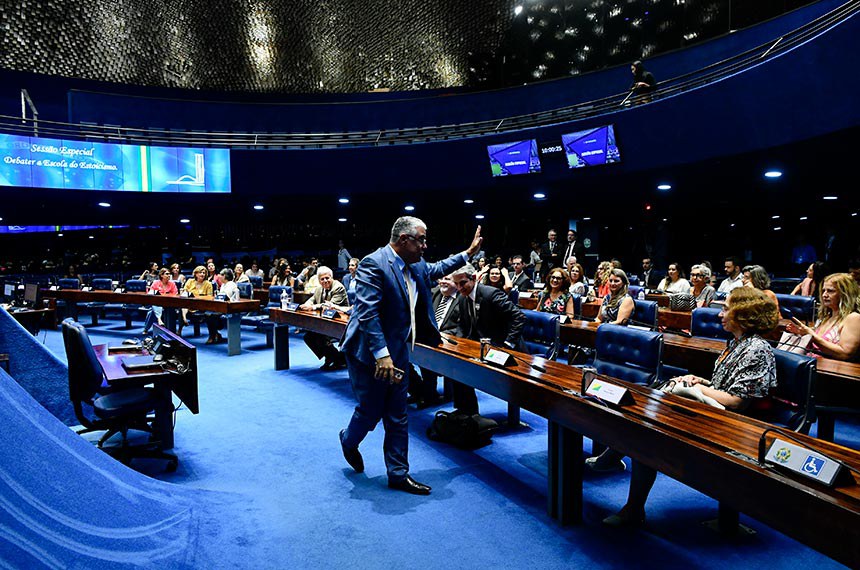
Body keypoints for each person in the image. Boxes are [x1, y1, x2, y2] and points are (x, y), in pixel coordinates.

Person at [603, 287, 778, 527]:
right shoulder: (738, 342)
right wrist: (700, 381)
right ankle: (619, 458)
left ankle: (628, 492)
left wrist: (695, 388)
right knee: (645, 422)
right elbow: (723, 386)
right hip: (712, 411)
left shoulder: (757, 349)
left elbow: (736, 401)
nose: (719, 315)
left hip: (734, 424)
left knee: (647, 434)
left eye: (726, 309)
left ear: (744, 314)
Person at [338, 217, 482, 496]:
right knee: (370, 412)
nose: (425, 246)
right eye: (421, 240)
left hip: (399, 350)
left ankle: (398, 474)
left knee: (397, 414)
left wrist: (468, 254)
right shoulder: (373, 263)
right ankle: (348, 440)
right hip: (369, 352)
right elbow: (368, 314)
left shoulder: (415, 264)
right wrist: (382, 356)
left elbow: (438, 268)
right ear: (403, 240)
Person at [449, 263, 526, 416]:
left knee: (467, 369)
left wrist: (508, 344)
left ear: (474, 278)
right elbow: (462, 325)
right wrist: (458, 344)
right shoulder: (463, 297)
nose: (459, 288)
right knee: (456, 364)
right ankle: (466, 411)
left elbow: (519, 317)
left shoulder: (491, 294)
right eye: (456, 284)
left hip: (506, 349)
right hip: (482, 347)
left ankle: (470, 413)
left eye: (462, 283)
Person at [785, 273, 860, 361]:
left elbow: (845, 353)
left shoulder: (853, 318)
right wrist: (801, 333)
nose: (824, 295)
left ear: (845, 293)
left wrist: (812, 336)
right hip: (812, 365)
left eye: (830, 291)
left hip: (831, 371)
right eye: (824, 290)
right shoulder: (827, 316)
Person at [416, 274, 462, 407]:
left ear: (457, 283)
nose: (442, 282)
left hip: (451, 342)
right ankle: (423, 391)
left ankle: (429, 394)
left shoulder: (463, 298)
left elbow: (462, 327)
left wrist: (443, 335)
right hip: (430, 338)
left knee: (428, 356)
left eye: (447, 279)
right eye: (441, 279)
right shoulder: (434, 293)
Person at [300, 266, 349, 369]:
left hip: (340, 323)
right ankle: (334, 357)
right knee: (309, 336)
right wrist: (306, 305)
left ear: (332, 277)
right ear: (319, 280)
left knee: (320, 336)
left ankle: (337, 358)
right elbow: (311, 300)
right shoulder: (319, 289)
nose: (325, 281)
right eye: (322, 279)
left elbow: (329, 306)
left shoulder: (338, 287)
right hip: (325, 321)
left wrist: (312, 307)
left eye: (327, 278)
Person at [206, 268, 239, 344]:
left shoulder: (231, 284)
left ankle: (213, 335)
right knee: (207, 313)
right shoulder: (223, 285)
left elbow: (226, 297)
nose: (218, 276)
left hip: (229, 308)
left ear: (225, 276)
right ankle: (214, 334)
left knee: (210, 315)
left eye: (220, 275)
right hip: (221, 307)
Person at [143, 268, 178, 333]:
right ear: (161, 275)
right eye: (167, 274)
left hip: (169, 303)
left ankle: (146, 329)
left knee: (152, 311)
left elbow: (175, 293)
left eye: (169, 274)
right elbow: (151, 293)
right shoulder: (156, 283)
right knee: (153, 308)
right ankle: (159, 319)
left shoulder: (172, 284)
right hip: (157, 302)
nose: (169, 275)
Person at [180, 265, 213, 335]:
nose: (202, 274)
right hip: (189, 303)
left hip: (201, 305)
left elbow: (210, 297)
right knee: (183, 303)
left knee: (184, 305)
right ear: (195, 274)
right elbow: (184, 292)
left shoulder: (208, 284)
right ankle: (181, 324)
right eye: (200, 272)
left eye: (204, 273)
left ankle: (184, 317)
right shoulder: (190, 281)